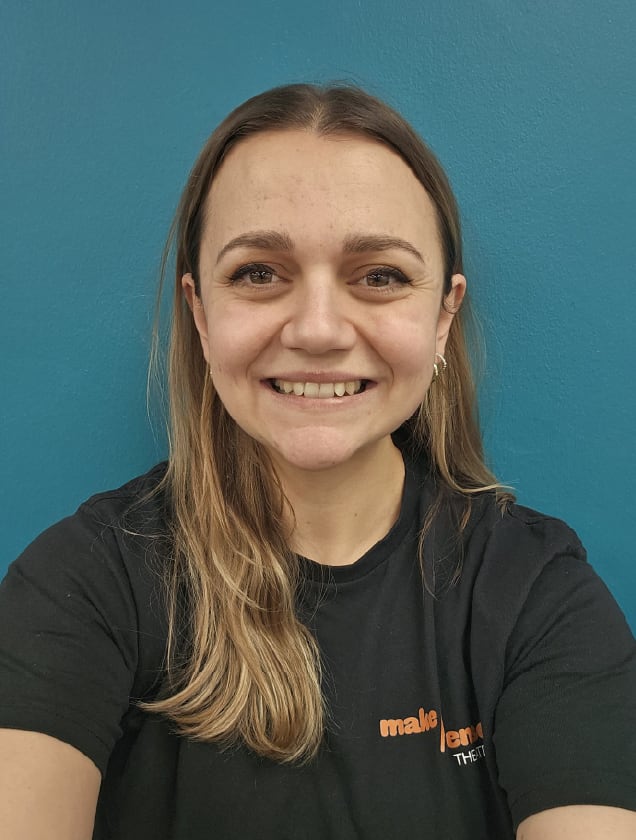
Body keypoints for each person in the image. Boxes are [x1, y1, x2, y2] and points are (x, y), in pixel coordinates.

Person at [0, 84, 635, 840]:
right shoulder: (86, 580)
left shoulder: (536, 592)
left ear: (443, 318)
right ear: (201, 314)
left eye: (381, 275)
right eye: (259, 272)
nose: (319, 329)